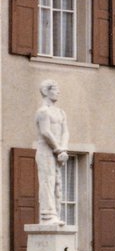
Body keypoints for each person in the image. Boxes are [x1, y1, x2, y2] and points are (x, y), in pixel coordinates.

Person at [34, 79, 70, 225]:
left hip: (58, 152)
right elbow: (45, 132)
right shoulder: (43, 112)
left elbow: (65, 132)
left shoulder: (61, 112)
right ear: (45, 91)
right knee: (47, 181)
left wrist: (64, 149)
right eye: (55, 89)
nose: (58, 92)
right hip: (46, 151)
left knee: (57, 183)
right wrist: (58, 149)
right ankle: (47, 215)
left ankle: (55, 213)